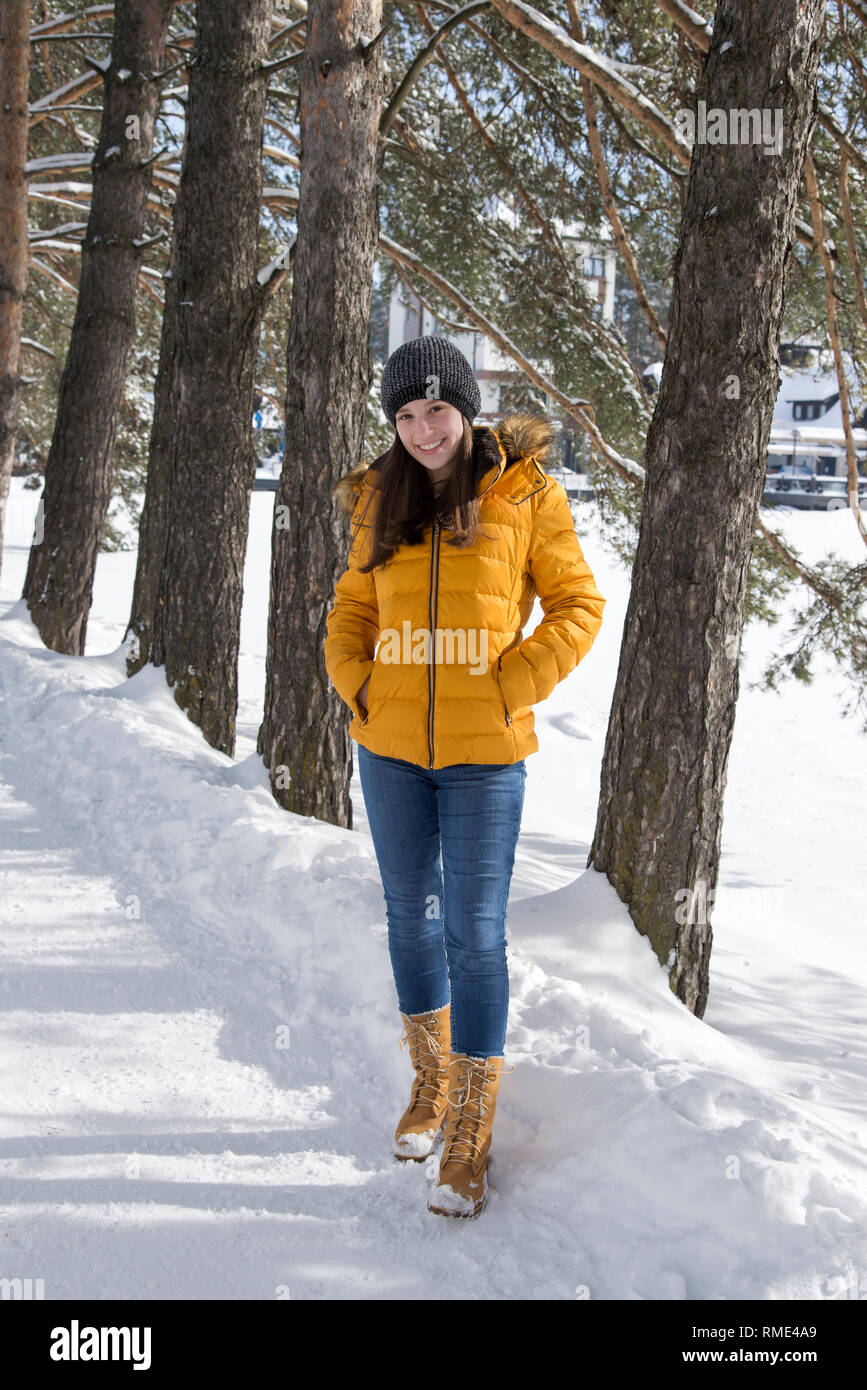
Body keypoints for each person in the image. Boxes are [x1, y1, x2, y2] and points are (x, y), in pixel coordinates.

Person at [323, 335, 606, 1218]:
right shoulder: (380, 498)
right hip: (391, 747)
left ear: (465, 407)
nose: (421, 430)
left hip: (486, 756)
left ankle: (472, 1129)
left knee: (476, 932)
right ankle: (432, 1084)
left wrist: (513, 683)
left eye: (435, 409)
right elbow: (353, 607)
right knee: (410, 910)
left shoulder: (522, 491)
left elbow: (578, 604)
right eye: (404, 416)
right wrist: (357, 682)